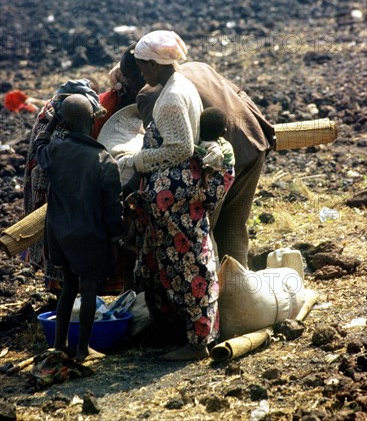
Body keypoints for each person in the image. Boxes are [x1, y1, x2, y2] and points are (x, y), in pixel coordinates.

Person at [124, 30, 235, 361]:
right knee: (175, 260)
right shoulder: (179, 84)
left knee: (190, 265)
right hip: (176, 195)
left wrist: (138, 161)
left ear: (157, 65)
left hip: (177, 196)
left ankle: (197, 342)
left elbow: (180, 149)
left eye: (144, 65)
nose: (142, 71)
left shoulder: (171, 98)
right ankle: (183, 331)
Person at [110, 47, 275, 269]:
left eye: (130, 80)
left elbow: (163, 148)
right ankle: (238, 293)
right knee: (233, 226)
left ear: (147, 69)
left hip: (215, 164)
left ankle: (209, 297)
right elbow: (239, 95)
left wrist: (129, 184)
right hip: (253, 142)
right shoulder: (197, 67)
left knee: (201, 231)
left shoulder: (150, 94)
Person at [33, 94, 123, 362]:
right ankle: (83, 348)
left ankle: (59, 345)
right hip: (90, 236)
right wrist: (116, 235)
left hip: (59, 234)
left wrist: (52, 123)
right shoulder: (103, 160)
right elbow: (112, 206)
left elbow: (40, 144)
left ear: (65, 122)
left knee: (68, 287)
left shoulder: (55, 151)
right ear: (90, 122)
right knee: (89, 287)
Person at [23, 78, 107, 293]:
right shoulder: (65, 136)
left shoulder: (49, 117)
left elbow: (41, 146)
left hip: (54, 207)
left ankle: (61, 293)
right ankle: (60, 288)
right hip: (62, 203)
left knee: (58, 257)